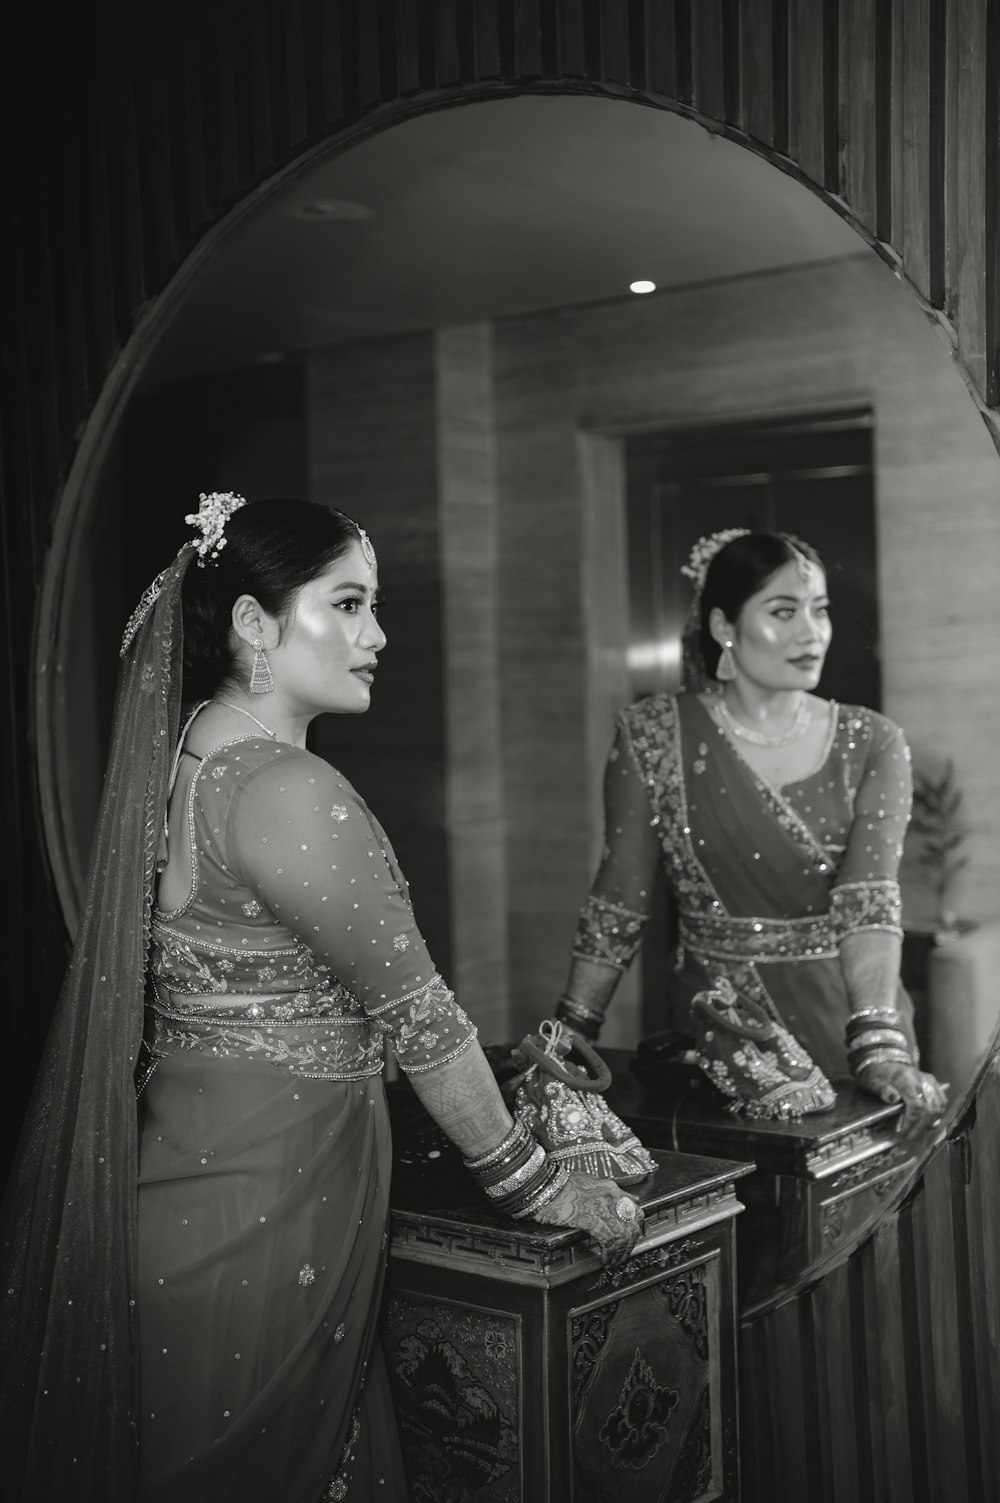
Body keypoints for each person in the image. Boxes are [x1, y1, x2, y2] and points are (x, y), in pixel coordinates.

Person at [0, 494, 643, 1503]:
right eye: (346, 604)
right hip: (267, 1213)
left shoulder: (191, 757)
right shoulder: (286, 790)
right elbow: (422, 1020)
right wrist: (534, 1183)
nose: (375, 635)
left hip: (192, 1189)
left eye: (371, 606)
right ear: (254, 623)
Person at [554, 528, 948, 1134]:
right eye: (783, 611)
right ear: (723, 627)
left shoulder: (872, 741)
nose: (811, 631)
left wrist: (879, 1045)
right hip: (721, 1031)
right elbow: (619, 897)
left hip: (852, 1018)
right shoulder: (655, 736)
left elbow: (869, 898)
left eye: (820, 610)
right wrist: (570, 1035)